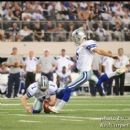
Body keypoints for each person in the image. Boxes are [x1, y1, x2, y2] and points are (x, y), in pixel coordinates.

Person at [49, 27, 120, 113]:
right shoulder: (80, 47)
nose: (74, 40)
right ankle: (115, 73)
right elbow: (79, 59)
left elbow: (98, 50)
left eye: (76, 38)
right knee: (64, 90)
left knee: (68, 89)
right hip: (85, 72)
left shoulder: (88, 43)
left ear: (81, 37)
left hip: (86, 73)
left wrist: (110, 55)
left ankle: (58, 108)